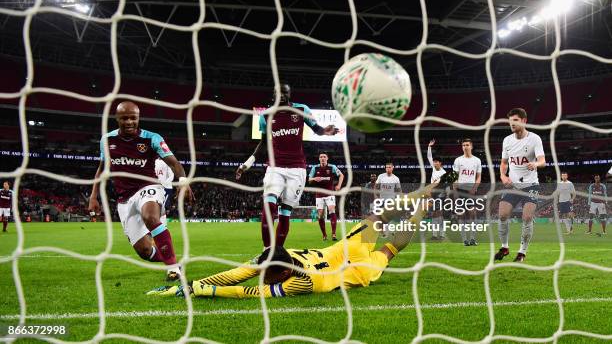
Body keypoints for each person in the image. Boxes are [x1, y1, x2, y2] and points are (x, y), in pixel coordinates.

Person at [147, 171, 458, 299]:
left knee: (389, 245)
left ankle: (426, 195)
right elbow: (240, 273)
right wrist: (190, 285)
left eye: (268, 274)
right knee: (383, 228)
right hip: (345, 260)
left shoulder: (301, 281)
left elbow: (248, 292)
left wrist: (201, 290)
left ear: (284, 271)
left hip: (349, 267)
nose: (263, 277)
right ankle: (425, 199)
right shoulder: (280, 256)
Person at [88, 101, 194, 281]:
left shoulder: (152, 138)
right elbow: (102, 168)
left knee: (150, 217)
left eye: (133, 118)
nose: (129, 122)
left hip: (149, 187)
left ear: (138, 118)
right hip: (124, 198)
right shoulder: (107, 140)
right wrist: (93, 195)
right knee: (145, 252)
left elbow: (174, 163)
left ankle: (173, 268)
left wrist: (183, 181)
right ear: (117, 119)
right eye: (124, 118)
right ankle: (174, 261)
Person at [235, 84, 339, 250]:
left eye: (285, 92)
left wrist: (326, 131)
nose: (281, 95)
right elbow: (263, 143)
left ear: (290, 94)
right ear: (274, 94)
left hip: (297, 170)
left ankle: (277, 252)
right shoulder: (266, 115)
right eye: (278, 92)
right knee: (268, 208)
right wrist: (247, 164)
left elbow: (317, 129)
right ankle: (266, 250)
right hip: (275, 168)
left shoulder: (301, 109)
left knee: (285, 214)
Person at [495, 108, 545, 263]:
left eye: (515, 120)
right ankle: (504, 247)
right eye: (510, 121)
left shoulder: (534, 139)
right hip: (513, 186)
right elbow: (504, 163)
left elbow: (543, 161)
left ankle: (522, 252)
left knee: (527, 217)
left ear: (524, 121)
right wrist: (503, 176)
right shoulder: (507, 140)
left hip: (531, 185)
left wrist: (535, 163)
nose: (512, 123)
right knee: (502, 215)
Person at [452, 139, 482, 246]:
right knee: (461, 215)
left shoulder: (477, 160)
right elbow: (454, 178)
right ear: (462, 147)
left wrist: (474, 188)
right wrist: (455, 191)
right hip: (460, 190)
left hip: (472, 190)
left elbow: (478, 177)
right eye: (463, 145)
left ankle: (473, 239)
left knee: (473, 213)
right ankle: (465, 239)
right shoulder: (458, 160)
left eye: (467, 145)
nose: (465, 146)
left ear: (471, 146)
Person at [309, 152, 344, 241]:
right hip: (319, 194)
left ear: (327, 158)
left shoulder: (332, 167)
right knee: (320, 215)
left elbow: (341, 175)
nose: (322, 158)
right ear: (319, 159)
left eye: (324, 157)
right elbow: (309, 180)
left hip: (329, 193)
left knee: (332, 210)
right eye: (321, 157)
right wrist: (314, 179)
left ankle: (333, 234)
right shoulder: (315, 168)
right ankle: (324, 235)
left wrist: (339, 185)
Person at [427, 140, 446, 240]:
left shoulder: (444, 172)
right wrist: (429, 147)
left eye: (436, 162)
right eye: (434, 162)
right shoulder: (434, 169)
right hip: (432, 194)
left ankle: (442, 234)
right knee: (434, 214)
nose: (434, 163)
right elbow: (429, 157)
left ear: (440, 163)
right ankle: (434, 235)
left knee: (439, 213)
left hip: (440, 195)